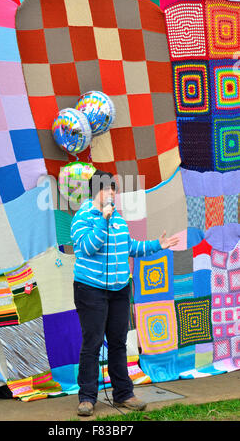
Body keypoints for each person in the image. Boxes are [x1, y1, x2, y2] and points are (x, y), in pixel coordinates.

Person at [70, 169, 179, 417]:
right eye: (106, 188)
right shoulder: (82, 217)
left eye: (113, 189)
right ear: (95, 190)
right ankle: (87, 397)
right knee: (93, 343)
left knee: (118, 342)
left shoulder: (118, 219)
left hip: (120, 289)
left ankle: (123, 394)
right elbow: (87, 247)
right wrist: (102, 219)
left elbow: (129, 247)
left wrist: (156, 245)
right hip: (91, 289)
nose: (111, 193)